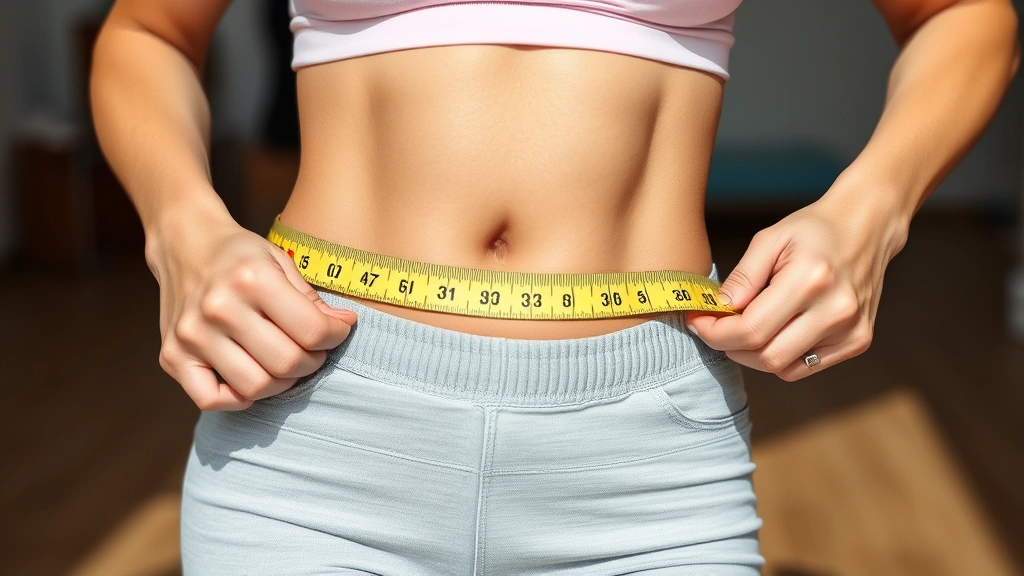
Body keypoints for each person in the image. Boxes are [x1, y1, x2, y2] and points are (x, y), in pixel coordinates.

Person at [90, 0, 1019, 573]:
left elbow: (965, 15)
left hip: (645, 465)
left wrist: (873, 211)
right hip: (311, 426)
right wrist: (183, 229)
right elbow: (148, 31)